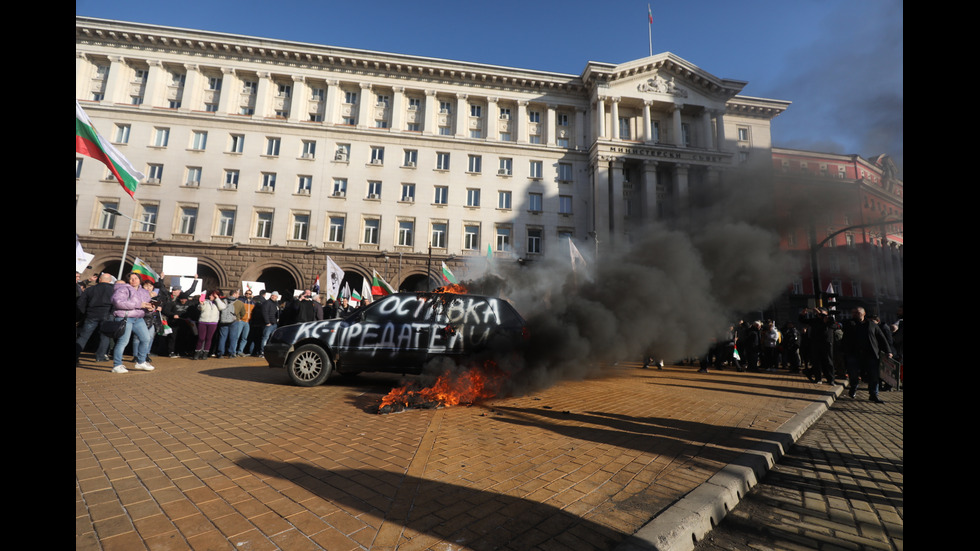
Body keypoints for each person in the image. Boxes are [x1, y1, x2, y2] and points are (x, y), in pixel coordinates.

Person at [842, 306, 892, 403]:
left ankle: (874, 394)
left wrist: (888, 351)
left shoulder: (872, 325)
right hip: (854, 353)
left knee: (874, 375)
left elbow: (881, 338)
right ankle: (853, 386)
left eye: (858, 312)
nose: (855, 314)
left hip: (870, 354)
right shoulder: (849, 324)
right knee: (853, 373)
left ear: (864, 314)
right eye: (854, 313)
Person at [110, 272, 156, 373]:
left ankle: (141, 362)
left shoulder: (144, 292)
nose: (133, 280)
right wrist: (139, 304)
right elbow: (118, 302)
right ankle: (117, 365)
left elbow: (146, 304)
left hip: (138, 318)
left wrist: (151, 308)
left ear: (140, 280)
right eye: (131, 278)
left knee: (146, 339)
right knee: (123, 341)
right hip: (125, 317)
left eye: (136, 278)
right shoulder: (122, 289)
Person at [75, 272, 116, 364]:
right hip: (107, 314)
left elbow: (80, 303)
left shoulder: (90, 289)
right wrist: (112, 313)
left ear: (100, 280)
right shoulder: (114, 290)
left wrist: (85, 312)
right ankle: (100, 356)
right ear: (110, 281)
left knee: (83, 336)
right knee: (105, 336)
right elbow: (116, 303)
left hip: (91, 314)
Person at [799, 308, 836, 384]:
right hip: (815, 343)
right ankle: (818, 378)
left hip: (826, 343)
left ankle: (830, 379)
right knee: (816, 361)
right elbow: (803, 321)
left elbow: (833, 325)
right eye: (818, 313)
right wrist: (802, 314)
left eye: (821, 313)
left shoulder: (830, 319)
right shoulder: (815, 320)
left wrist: (821, 315)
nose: (818, 314)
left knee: (828, 361)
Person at [194, 289, 226, 360]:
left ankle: (205, 353)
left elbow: (222, 307)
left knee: (209, 338)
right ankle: (197, 352)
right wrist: (201, 304)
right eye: (211, 295)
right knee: (201, 338)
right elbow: (200, 308)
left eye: (213, 295)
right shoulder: (206, 301)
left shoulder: (219, 302)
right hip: (203, 321)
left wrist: (217, 298)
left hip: (213, 322)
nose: (211, 296)